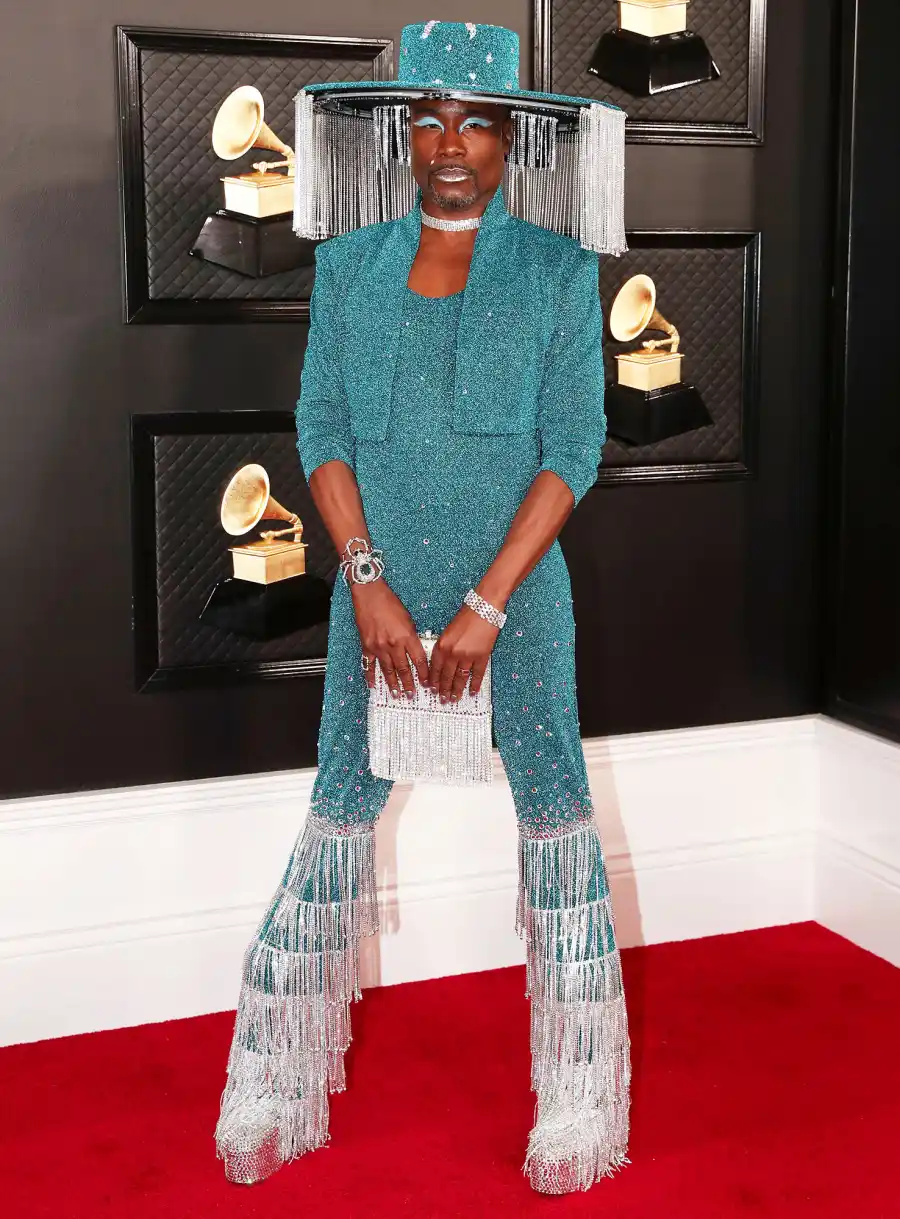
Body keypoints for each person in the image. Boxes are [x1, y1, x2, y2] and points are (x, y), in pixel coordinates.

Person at [215, 20, 631, 1196]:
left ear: (512, 141)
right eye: (432, 121)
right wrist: (368, 585)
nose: (452, 145)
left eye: (479, 122)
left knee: (555, 825)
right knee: (337, 811)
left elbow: (575, 451)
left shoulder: (557, 271)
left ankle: (581, 1093)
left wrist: (490, 603)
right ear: (404, 132)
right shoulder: (347, 267)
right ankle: (274, 1075)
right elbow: (323, 434)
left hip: (516, 601)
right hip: (378, 601)